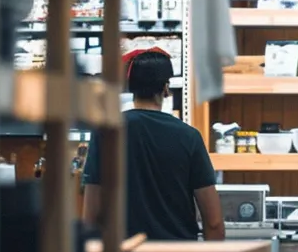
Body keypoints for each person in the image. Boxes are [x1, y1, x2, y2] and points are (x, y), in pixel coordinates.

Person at [82, 48, 224, 241]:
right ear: (166, 88)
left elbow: (91, 216)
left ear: (130, 87)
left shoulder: (106, 133)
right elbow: (213, 222)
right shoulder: (189, 137)